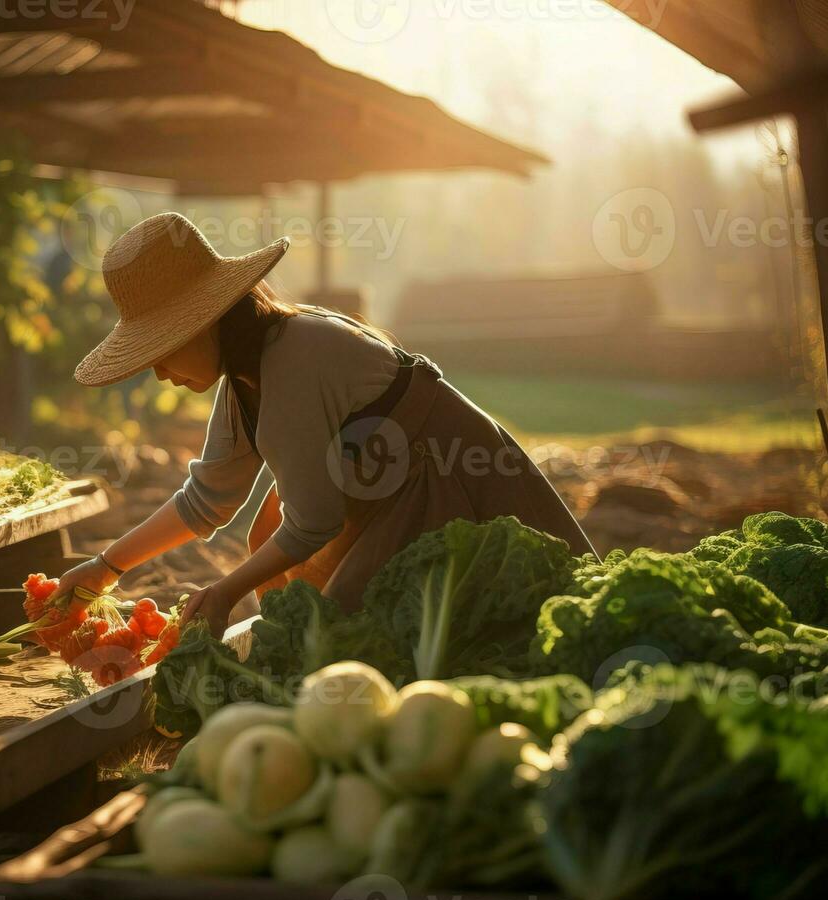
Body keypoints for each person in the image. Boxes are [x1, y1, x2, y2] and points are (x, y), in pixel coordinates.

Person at [57, 213, 592, 638]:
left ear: (207, 322)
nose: (158, 370)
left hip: (453, 484)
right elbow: (207, 500)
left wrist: (222, 593)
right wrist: (106, 567)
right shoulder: (244, 377)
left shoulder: (295, 357)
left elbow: (313, 523)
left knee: (480, 630)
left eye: (164, 349)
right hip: (387, 492)